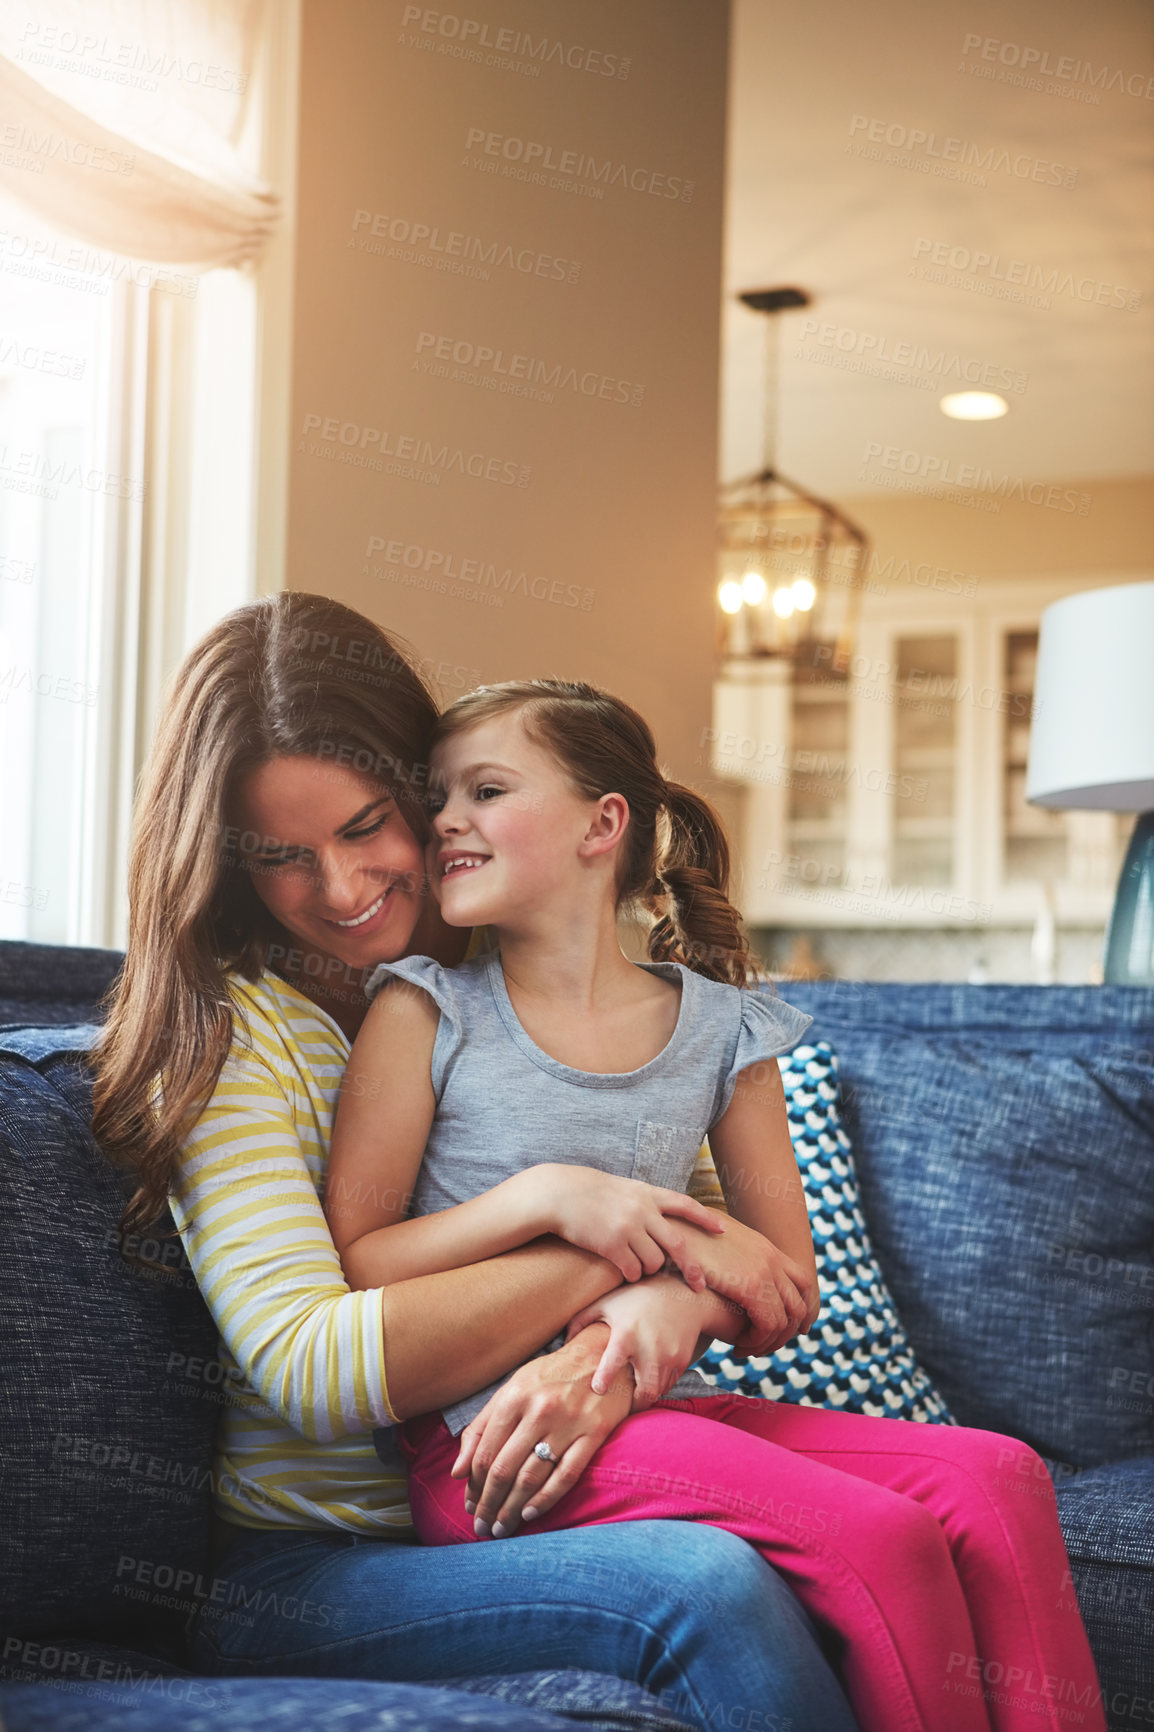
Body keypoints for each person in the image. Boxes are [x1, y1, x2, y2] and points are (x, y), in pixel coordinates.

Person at [90, 591, 860, 1732]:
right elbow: (310, 1364)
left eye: (364, 828)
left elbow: (716, 1243)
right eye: (279, 858)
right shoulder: (230, 1040)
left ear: (428, 794)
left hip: (543, 1497)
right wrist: (588, 1243)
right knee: (703, 1591)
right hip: (314, 1565)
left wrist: (648, 1297)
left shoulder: (493, 997)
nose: (342, 892)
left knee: (891, 1520)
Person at [325, 677, 1107, 1732]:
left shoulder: (726, 1031)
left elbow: (781, 1282)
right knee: (876, 1535)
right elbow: (362, 1256)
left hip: (665, 1412)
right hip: (492, 1447)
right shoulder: (424, 1009)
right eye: (439, 795)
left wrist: (673, 1300)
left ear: (603, 825)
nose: (445, 819)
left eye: (486, 788)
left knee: (998, 1477)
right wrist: (548, 1197)